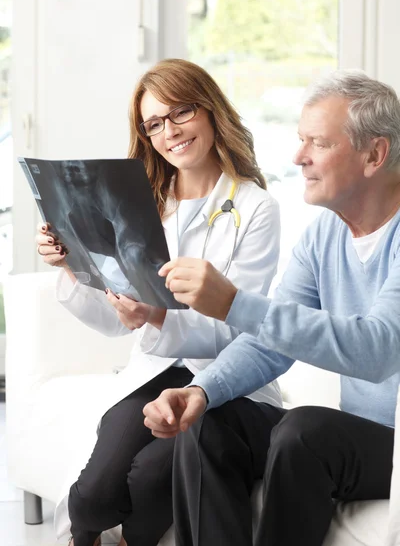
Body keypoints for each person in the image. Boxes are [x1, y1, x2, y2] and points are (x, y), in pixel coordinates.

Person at [143, 69, 400, 546]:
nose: (298, 157)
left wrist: (235, 303)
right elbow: (269, 344)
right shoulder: (325, 233)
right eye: (301, 140)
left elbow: (379, 350)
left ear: (375, 155)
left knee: (304, 431)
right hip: (360, 436)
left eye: (318, 144)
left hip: (395, 443)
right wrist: (202, 390)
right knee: (210, 424)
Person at [35, 58, 281, 546]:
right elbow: (115, 323)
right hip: (156, 367)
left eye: (180, 112)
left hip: (223, 378)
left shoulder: (255, 208)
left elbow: (237, 325)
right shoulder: (139, 201)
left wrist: (157, 315)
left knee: (148, 482)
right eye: (154, 124)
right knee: (90, 499)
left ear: (209, 111)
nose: (169, 131)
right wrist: (70, 266)